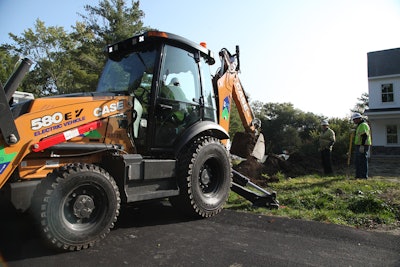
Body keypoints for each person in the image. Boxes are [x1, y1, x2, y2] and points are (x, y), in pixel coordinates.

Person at [351, 112, 372, 179]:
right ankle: (358, 175)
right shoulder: (360, 125)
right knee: (358, 161)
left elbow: (364, 136)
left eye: (354, 120)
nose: (353, 121)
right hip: (359, 145)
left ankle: (363, 176)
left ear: (358, 119)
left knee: (362, 161)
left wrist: (362, 146)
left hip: (362, 145)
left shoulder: (363, 125)